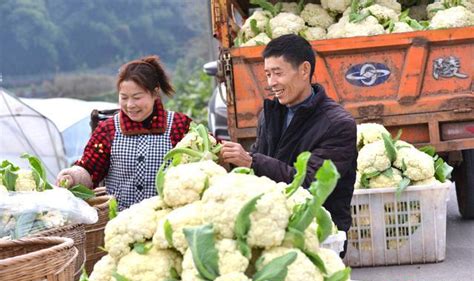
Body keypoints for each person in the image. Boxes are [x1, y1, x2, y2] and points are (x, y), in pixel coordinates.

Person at [220, 34, 357, 254]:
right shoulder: (271, 114)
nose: (271, 82)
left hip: (317, 234)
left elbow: (312, 186)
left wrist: (252, 161)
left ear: (304, 70)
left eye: (278, 73)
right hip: (274, 228)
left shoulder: (338, 124)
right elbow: (257, 167)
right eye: (267, 74)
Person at [56, 55, 192, 210]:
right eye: (124, 97)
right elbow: (90, 168)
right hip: (120, 221)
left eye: (137, 97)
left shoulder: (179, 126)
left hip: (166, 220)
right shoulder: (108, 129)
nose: (130, 105)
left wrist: (223, 155)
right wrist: (73, 176)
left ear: (155, 93)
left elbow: (206, 158)